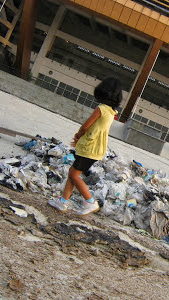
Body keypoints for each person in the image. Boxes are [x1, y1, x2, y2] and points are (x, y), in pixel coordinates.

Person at [48, 77, 122, 216]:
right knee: (73, 173)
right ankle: (63, 201)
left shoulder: (100, 109)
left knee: (74, 175)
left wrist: (77, 137)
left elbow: (86, 126)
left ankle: (90, 201)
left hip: (89, 148)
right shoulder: (111, 113)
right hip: (97, 149)